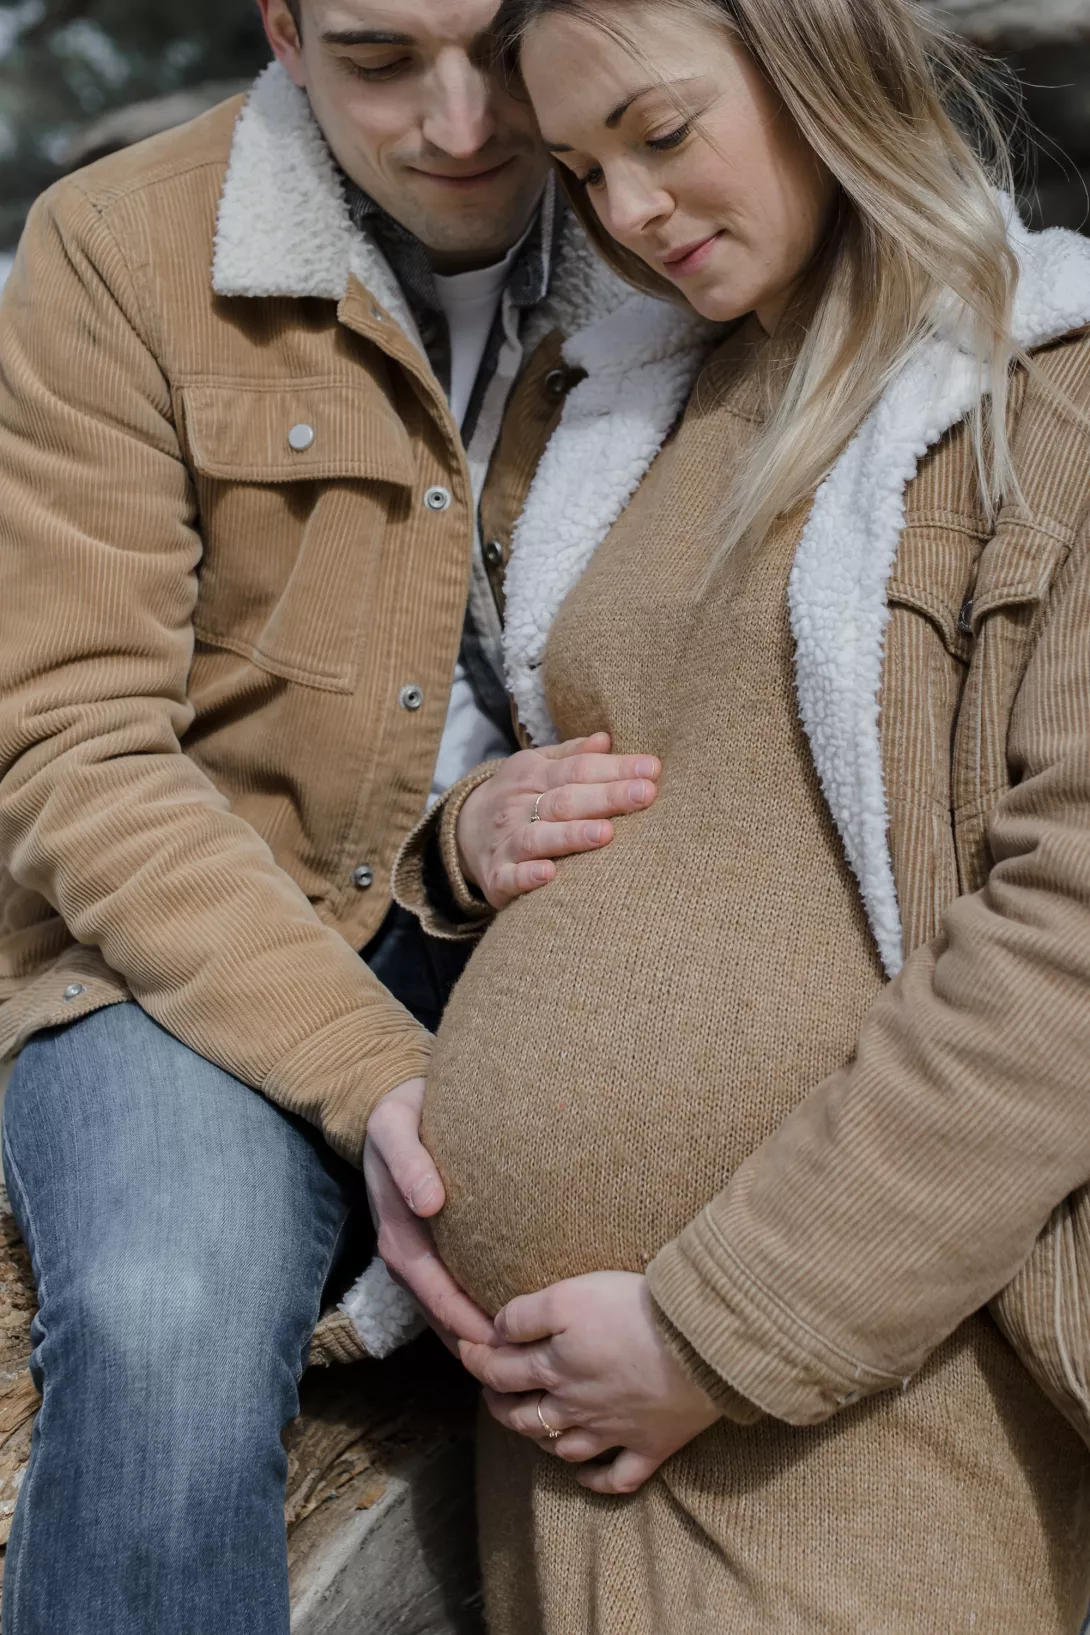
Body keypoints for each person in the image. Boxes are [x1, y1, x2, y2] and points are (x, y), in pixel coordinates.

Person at [380, 0, 1090, 1628]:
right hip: (560, 1435)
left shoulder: (1038, 398)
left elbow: (1065, 938)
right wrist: (471, 824)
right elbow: (517, 729)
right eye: (579, 167)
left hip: (859, 1402)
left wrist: (722, 1325)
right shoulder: (612, 408)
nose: (622, 213)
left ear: (814, 60)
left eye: (658, 132)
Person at [0, 1, 679, 1629]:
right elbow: (74, 749)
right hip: (180, 939)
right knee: (167, 1308)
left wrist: (463, 855)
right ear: (286, 31)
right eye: (380, 59)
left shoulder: (674, 221)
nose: (461, 124)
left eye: (504, 44)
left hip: (531, 909)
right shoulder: (114, 246)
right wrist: (376, 1075)